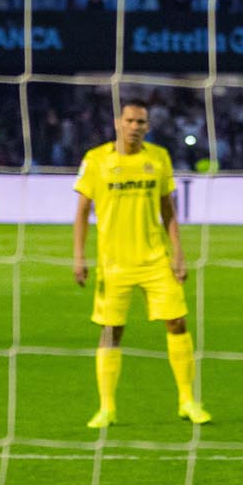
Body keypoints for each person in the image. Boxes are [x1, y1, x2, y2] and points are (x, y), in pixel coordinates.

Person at [72, 98, 207, 428]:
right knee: (111, 331)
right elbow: (81, 212)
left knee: (177, 322)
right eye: (130, 120)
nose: (135, 127)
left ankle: (187, 400)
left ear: (148, 126)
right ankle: (107, 408)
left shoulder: (158, 158)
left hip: (155, 260)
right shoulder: (96, 160)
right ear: (118, 122)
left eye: (141, 122)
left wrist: (178, 252)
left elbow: (168, 210)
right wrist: (79, 255)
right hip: (113, 263)